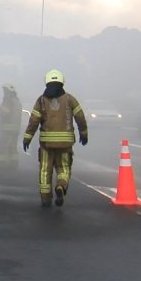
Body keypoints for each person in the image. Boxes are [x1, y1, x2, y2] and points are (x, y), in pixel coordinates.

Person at [22, 69, 89, 207]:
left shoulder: (41, 100)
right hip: (65, 143)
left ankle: (46, 199)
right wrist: (84, 133)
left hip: (46, 144)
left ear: (47, 82)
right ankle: (61, 186)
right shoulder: (70, 99)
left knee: (45, 171)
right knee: (63, 168)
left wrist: (27, 138)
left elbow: (33, 121)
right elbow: (80, 117)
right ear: (62, 82)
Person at [0, 83, 22, 169]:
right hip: (15, 129)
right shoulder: (16, 100)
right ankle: (13, 164)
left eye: (5, 90)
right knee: (12, 147)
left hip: (7, 129)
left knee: (2, 146)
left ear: (8, 91)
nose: (4, 92)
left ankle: (1, 164)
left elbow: (4, 112)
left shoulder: (8, 100)